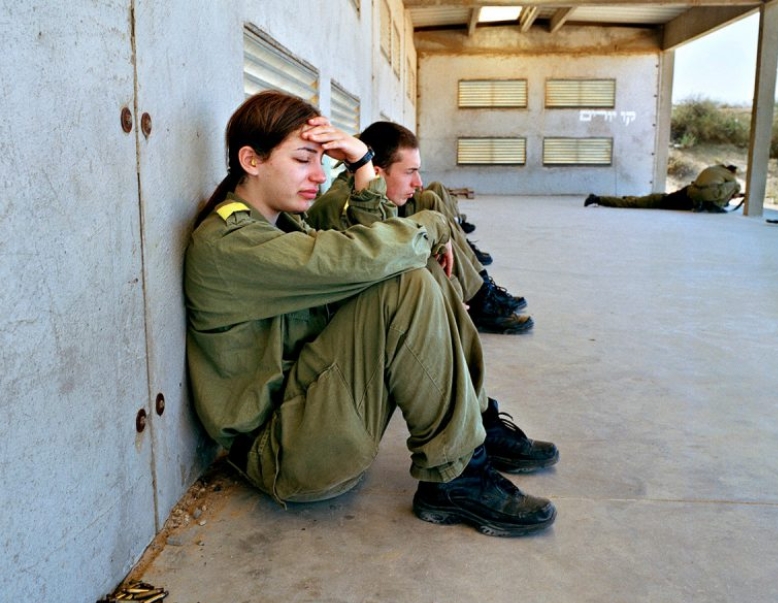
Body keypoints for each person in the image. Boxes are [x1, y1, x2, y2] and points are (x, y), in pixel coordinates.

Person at [184, 90, 558, 537]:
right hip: (286, 453)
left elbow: (379, 250)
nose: (319, 176)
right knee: (405, 279)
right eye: (303, 160)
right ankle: (456, 478)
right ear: (251, 160)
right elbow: (365, 255)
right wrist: (435, 226)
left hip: (310, 413)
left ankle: (473, 425)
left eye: (322, 161)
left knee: (414, 268)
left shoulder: (282, 224)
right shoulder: (230, 243)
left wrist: (363, 165)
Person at [306, 121, 533, 335]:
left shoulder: (367, 195)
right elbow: (382, 266)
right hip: (354, 320)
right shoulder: (342, 208)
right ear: (375, 172)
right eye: (409, 171)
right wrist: (447, 298)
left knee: (430, 227)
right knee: (424, 253)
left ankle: (480, 294)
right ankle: (478, 303)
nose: (418, 182)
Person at [584, 164, 743, 212]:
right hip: (690, 201)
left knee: (652, 200)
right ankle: (600, 199)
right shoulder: (730, 178)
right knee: (648, 201)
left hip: (687, 193)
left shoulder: (713, 170)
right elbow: (731, 189)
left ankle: (601, 199)